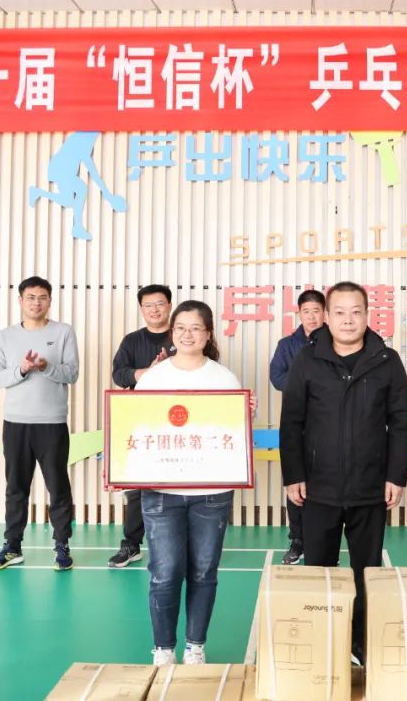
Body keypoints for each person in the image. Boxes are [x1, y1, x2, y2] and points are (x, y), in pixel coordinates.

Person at [279, 281, 407, 664]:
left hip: (370, 488)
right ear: (326, 316)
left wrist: (396, 476)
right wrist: (293, 474)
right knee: (318, 570)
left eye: (356, 312)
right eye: (339, 312)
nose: (348, 320)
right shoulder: (307, 360)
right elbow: (292, 421)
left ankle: (359, 643)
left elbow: (401, 422)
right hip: (317, 488)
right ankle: (322, 642)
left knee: (366, 573)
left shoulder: (387, 360)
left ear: (368, 315)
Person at [138, 300, 254, 667]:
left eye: (195, 328)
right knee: (165, 572)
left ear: (208, 334)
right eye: (180, 328)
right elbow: (136, 429)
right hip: (161, 493)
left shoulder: (224, 379)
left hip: (211, 493)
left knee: (204, 571)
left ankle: (195, 646)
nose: (187, 335)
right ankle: (163, 648)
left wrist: (245, 415)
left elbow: (232, 435)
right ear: (172, 333)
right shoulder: (153, 379)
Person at [0, 276, 79, 572]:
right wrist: (22, 369)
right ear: (20, 300)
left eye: (42, 297)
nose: (36, 302)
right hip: (16, 423)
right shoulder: (6, 336)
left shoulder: (63, 332)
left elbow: (72, 373)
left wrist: (46, 366)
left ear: (50, 300)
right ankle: (12, 546)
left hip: (52, 423)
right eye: (31, 297)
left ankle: (62, 545)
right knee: (16, 488)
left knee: (58, 487)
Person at [106, 284, 174, 568]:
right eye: (149, 305)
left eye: (160, 304)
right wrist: (149, 372)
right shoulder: (132, 340)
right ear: (142, 309)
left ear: (169, 306)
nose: (155, 309)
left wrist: (168, 369)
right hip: (141, 420)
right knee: (137, 485)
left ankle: (176, 545)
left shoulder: (183, 334)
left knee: (177, 482)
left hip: (179, 421)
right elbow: (119, 375)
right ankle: (131, 544)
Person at [269, 289, 326, 565]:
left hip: (328, 424)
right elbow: (276, 376)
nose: (312, 317)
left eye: (317, 311)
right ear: (299, 314)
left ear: (325, 313)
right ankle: (298, 540)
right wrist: (303, 385)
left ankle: (322, 541)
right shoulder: (287, 345)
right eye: (307, 312)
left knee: (325, 483)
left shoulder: (336, 341)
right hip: (296, 423)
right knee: (295, 481)